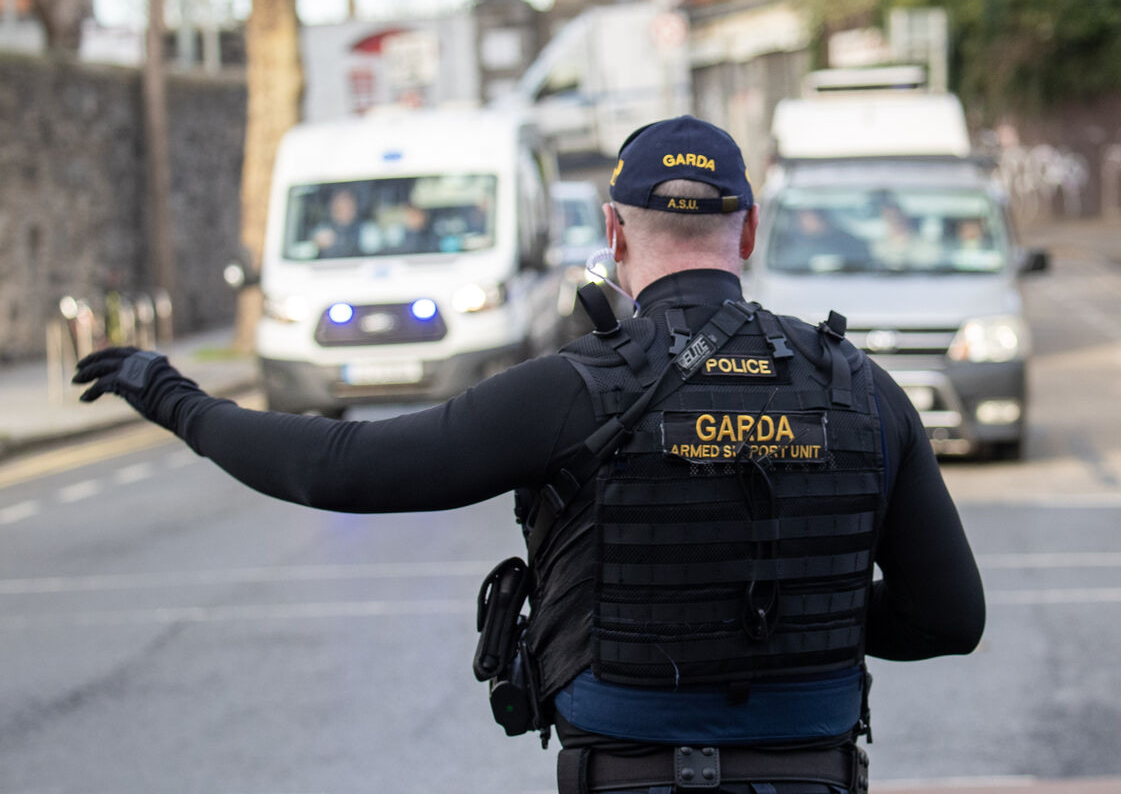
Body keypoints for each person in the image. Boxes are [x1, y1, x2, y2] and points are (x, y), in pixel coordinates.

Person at [74, 115, 985, 794]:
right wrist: (799, 606)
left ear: (615, 233)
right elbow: (950, 619)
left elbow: (340, 464)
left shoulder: (571, 389)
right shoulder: (857, 386)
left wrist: (174, 397)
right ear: (746, 233)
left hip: (625, 777)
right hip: (812, 777)